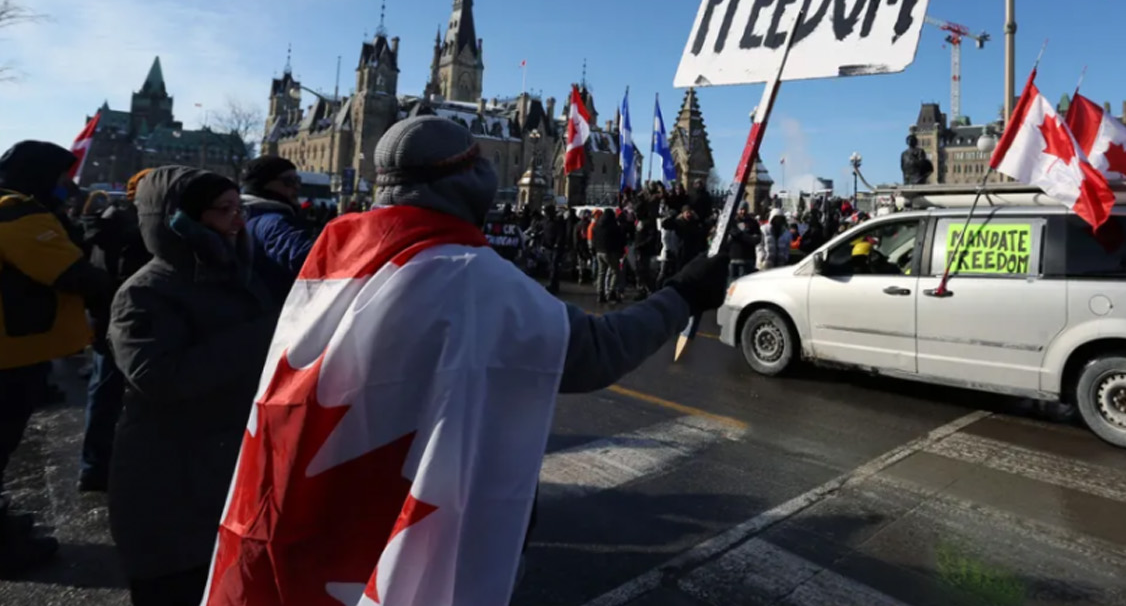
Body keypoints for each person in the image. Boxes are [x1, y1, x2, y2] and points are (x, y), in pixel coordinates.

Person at [202, 115, 729, 605]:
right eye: (478, 162)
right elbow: (598, 352)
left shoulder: (332, 249)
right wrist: (681, 294)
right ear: (458, 179)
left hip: (310, 507)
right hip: (414, 511)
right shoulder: (469, 276)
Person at [107, 167, 279, 605]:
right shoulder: (144, 292)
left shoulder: (239, 275)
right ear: (181, 219)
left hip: (225, 471)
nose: (238, 220)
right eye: (224, 210)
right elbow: (159, 378)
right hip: (170, 483)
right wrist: (264, 335)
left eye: (239, 208)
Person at [0, 142, 111, 575]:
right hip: (11, 351)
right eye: (64, 177)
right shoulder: (18, 210)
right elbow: (70, 273)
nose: (70, 185)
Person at [77, 168, 154, 492]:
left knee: (103, 392)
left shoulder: (107, 220)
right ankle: (101, 467)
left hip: (103, 318)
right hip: (125, 322)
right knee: (118, 395)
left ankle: (95, 465)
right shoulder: (134, 229)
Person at [239, 156, 316, 302]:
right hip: (275, 310)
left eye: (297, 180)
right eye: (289, 181)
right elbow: (303, 254)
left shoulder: (244, 214)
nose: (296, 187)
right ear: (264, 184)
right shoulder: (272, 221)